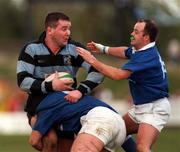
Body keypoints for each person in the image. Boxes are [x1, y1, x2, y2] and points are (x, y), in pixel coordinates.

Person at [76, 19, 171, 152]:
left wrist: (92, 60)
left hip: (155, 108)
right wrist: (103, 49)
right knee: (114, 133)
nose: (132, 33)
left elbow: (117, 75)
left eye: (136, 32)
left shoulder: (146, 56)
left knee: (142, 148)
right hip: (141, 107)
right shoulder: (141, 49)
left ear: (146, 37)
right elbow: (125, 51)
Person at [16, 12, 104, 152]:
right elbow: (22, 81)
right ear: (49, 30)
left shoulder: (75, 49)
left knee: (65, 148)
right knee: (50, 140)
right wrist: (51, 85)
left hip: (67, 104)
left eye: (69, 28)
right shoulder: (31, 49)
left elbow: (98, 71)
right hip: (39, 103)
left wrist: (79, 91)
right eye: (64, 29)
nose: (68, 33)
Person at [29, 91, 127, 152]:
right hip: (119, 126)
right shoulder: (66, 104)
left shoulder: (44, 108)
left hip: (100, 119)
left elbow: (34, 141)